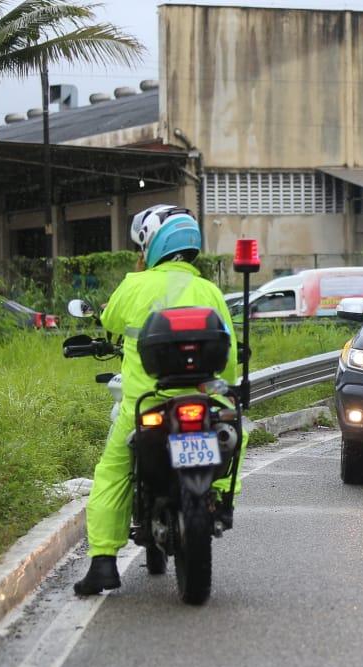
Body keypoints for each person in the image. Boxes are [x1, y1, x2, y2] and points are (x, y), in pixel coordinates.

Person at [74, 206, 242, 596]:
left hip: (145, 406)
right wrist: (223, 388)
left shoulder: (135, 285)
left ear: (152, 245)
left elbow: (109, 322)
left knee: (113, 471)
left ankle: (102, 563)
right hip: (202, 401)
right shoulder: (210, 291)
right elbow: (230, 354)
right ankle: (215, 497)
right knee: (235, 434)